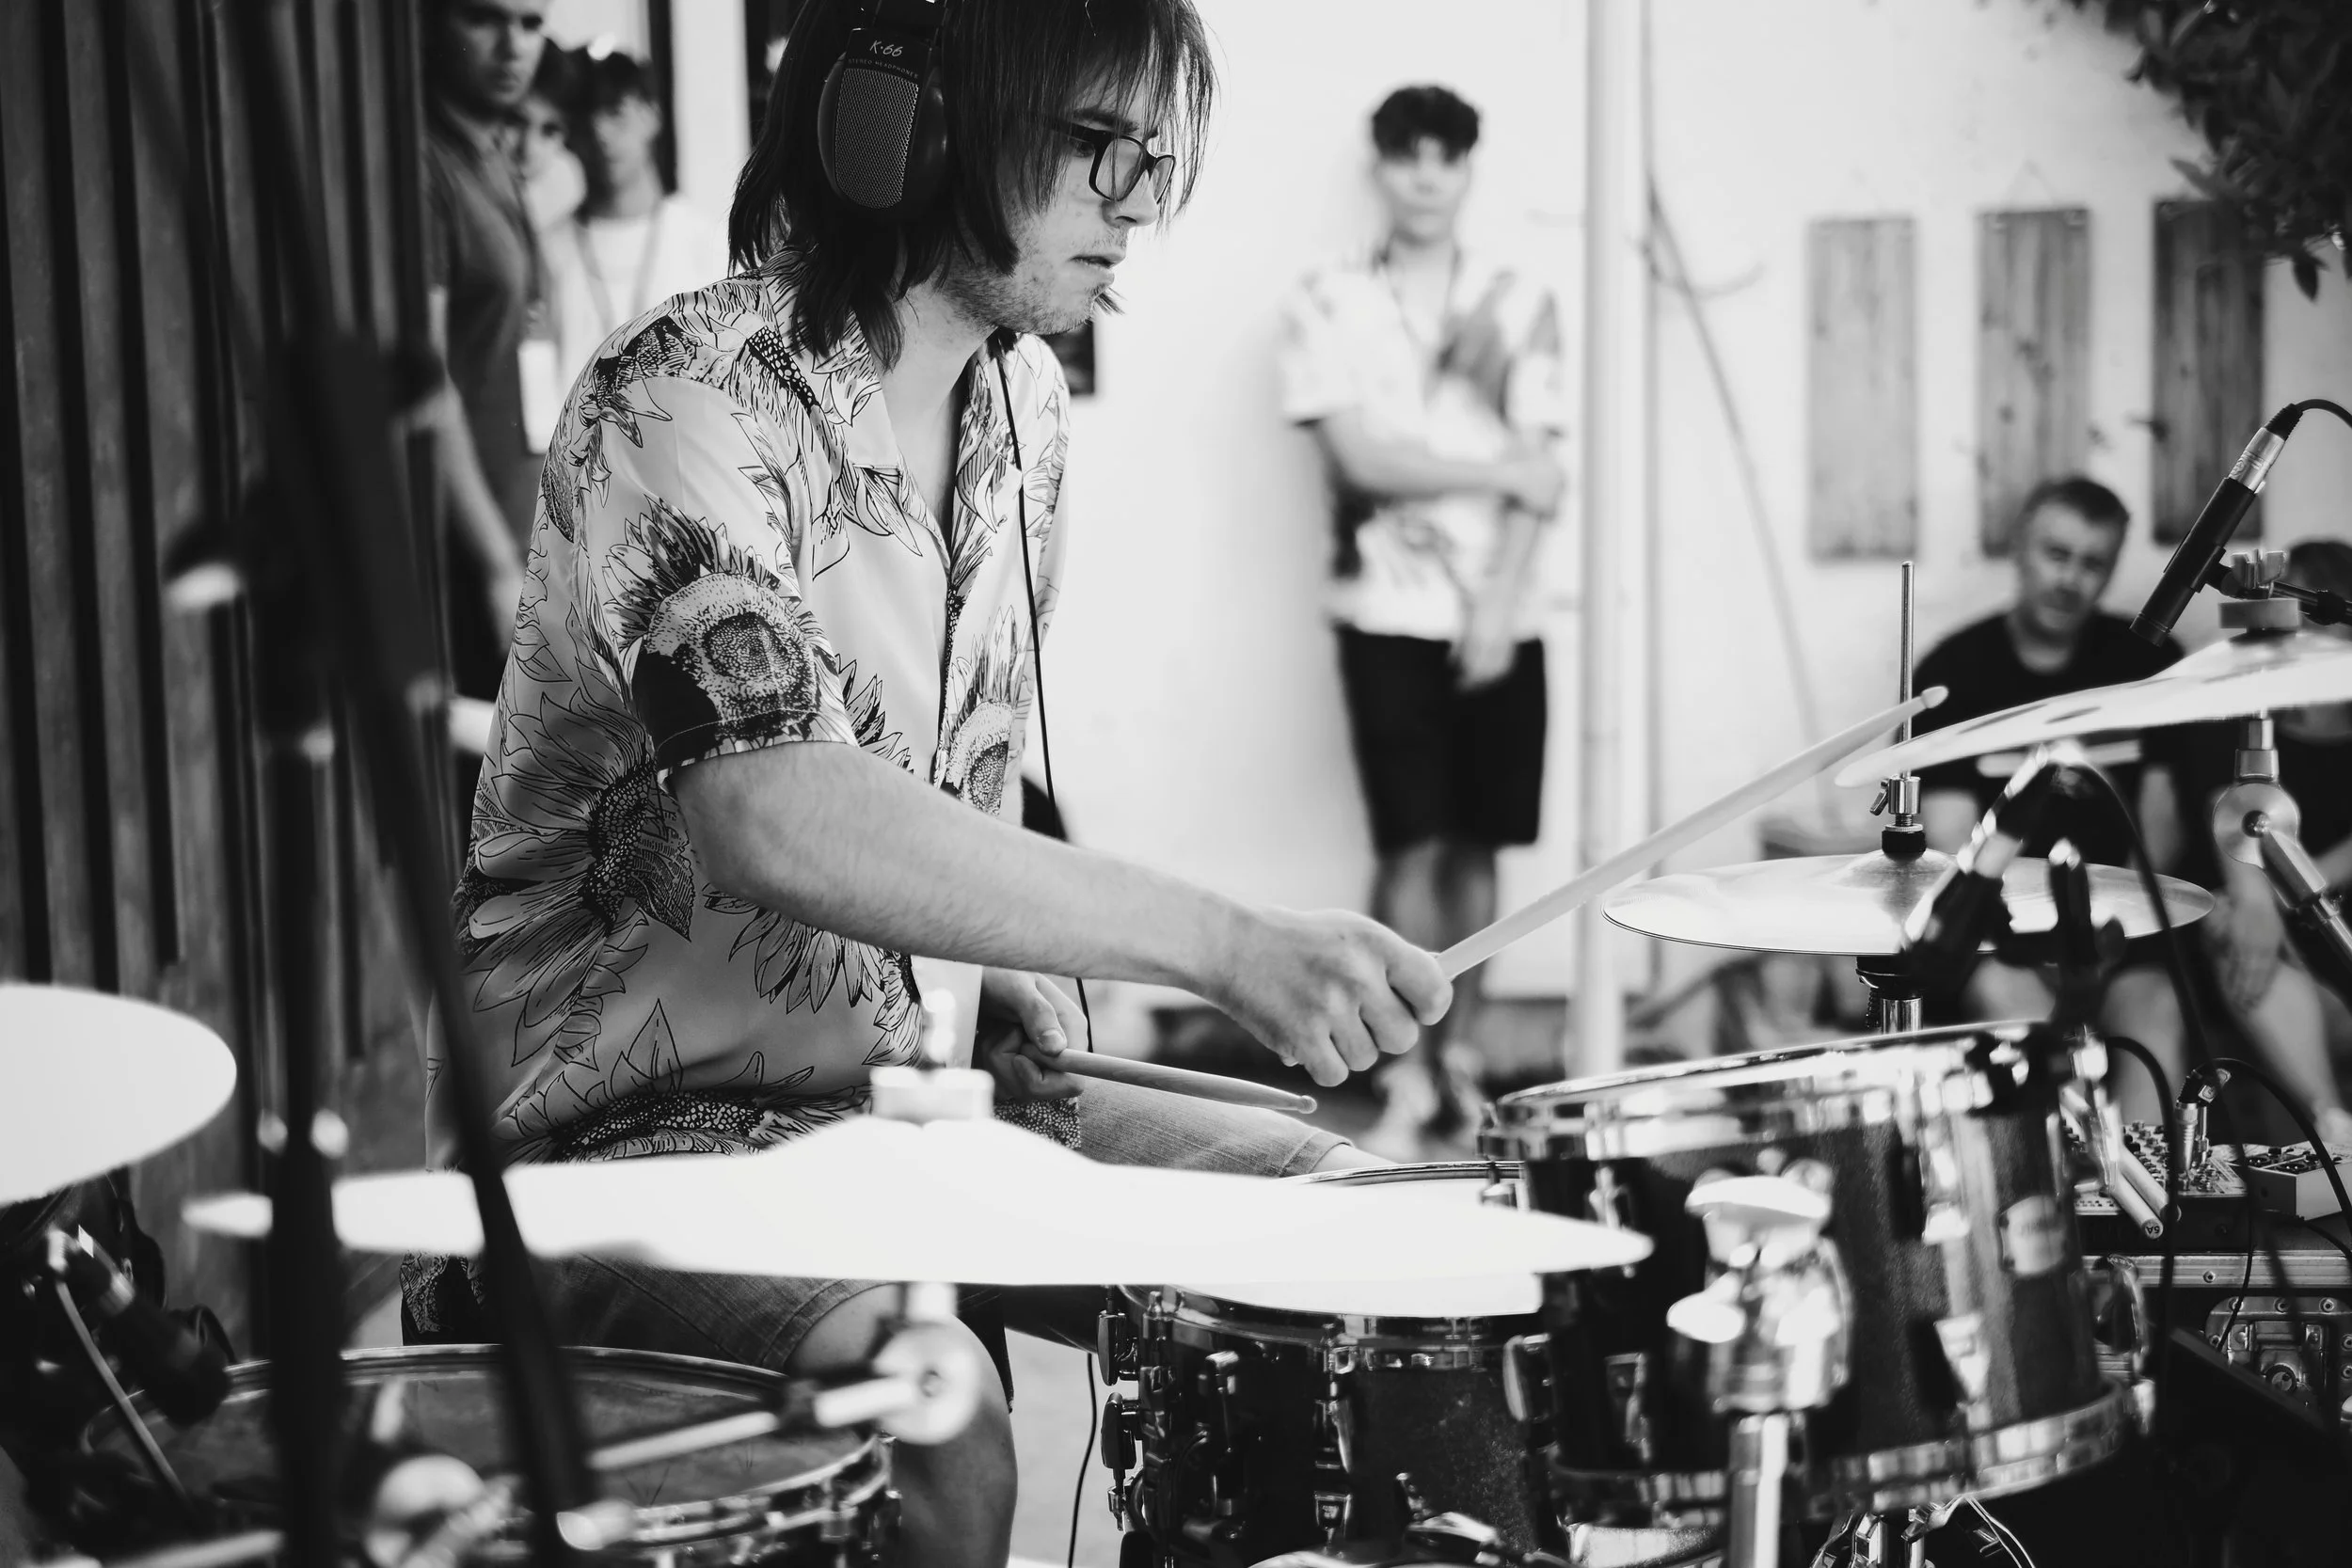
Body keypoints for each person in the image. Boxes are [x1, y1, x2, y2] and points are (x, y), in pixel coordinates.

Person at [408, 4, 1449, 1563]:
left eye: (1151, 156)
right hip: (623, 1147)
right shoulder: (680, 396)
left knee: (1365, 1239)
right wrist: (1222, 941)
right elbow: (771, 804)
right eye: (1099, 148)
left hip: (917, 1100)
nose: (1139, 202)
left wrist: (1026, 1003)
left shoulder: (1024, 411)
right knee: (933, 1420)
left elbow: (959, 783)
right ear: (915, 127)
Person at [1278, 85, 1567, 1154]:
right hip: (1383, 609)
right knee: (1405, 849)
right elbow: (1357, 458)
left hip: (1501, 614)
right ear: (1382, 167)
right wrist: (1499, 465)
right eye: (1408, 156)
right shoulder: (1328, 298)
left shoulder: (1519, 296)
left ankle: (1466, 1062)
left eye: (1446, 157)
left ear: (1468, 169)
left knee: (1480, 848)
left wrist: (1496, 608)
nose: (1426, 176)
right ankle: (1400, 1074)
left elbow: (1550, 486)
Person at [1912, 477, 2189, 1117]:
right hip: (2001, 937)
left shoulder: (2148, 661)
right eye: (2056, 554)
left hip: (2121, 933)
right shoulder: (1955, 672)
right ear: (2019, 549)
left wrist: (2102, 941)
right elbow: (1951, 842)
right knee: (2023, 1026)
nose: (2071, 578)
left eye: (2093, 562)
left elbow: (2162, 834)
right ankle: (2063, 1198)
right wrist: (2033, 944)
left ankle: (2146, 1195)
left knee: (2159, 1012)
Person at [2174, 539, 2352, 1144]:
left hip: (2331, 940)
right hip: (2273, 962)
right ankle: (2333, 1130)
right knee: (2230, 927)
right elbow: (2232, 820)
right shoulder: (2233, 721)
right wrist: (2254, 902)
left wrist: (2275, 898)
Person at [421, 0, 549, 702]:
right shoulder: (425, 163)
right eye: (485, 19)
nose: (513, 47)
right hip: (470, 553)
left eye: (531, 24)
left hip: (528, 535)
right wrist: (496, 561)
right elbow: (427, 377)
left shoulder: (498, 152)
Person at [540, 49, 730, 389]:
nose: (601, 133)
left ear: (652, 114)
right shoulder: (549, 248)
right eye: (585, 120)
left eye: (616, 112)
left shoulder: (706, 239)